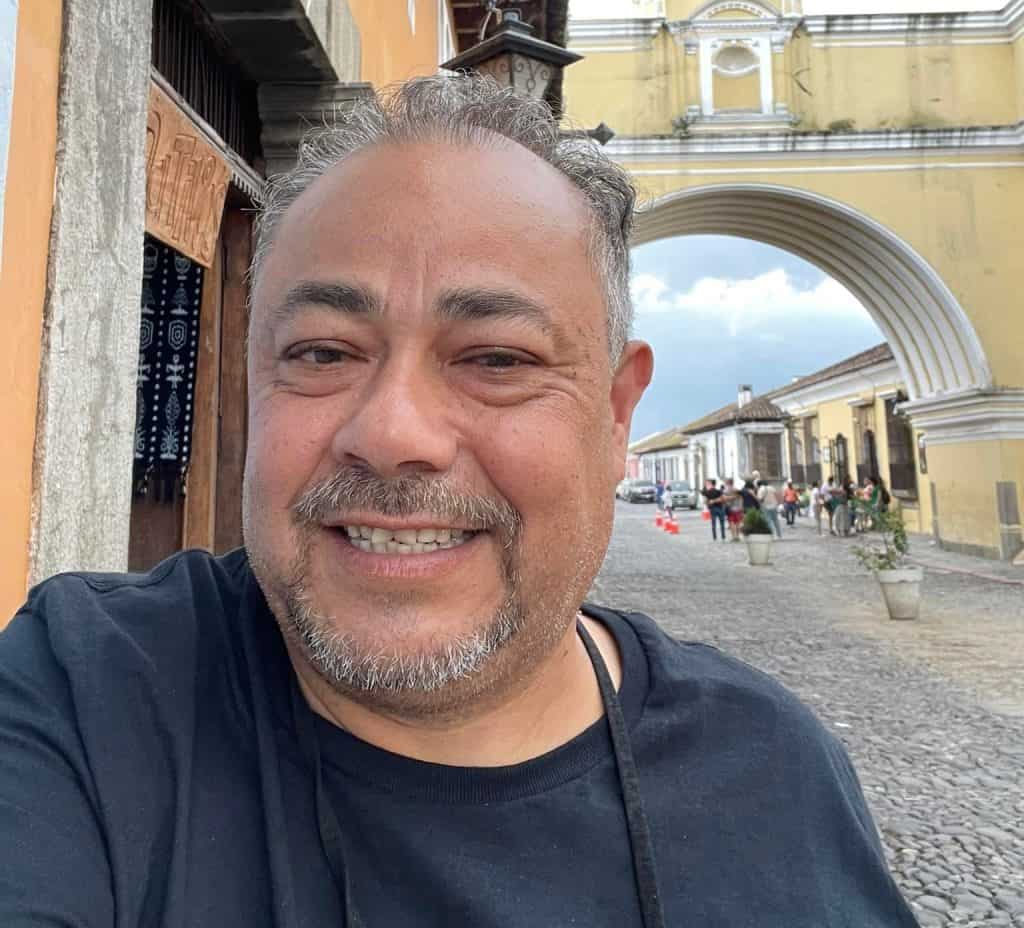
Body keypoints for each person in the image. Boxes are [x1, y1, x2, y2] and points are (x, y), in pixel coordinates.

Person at [0, 75, 917, 926]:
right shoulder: (88, 692)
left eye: (497, 360)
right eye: (322, 352)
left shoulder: (773, 776)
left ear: (614, 414)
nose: (394, 434)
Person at [721, 476, 744, 542]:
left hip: (730, 508)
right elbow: (741, 498)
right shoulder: (737, 489)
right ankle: (738, 536)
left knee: (732, 523)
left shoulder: (726, 490)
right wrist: (741, 506)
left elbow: (724, 498)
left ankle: (734, 536)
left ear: (728, 482)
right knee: (737, 523)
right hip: (738, 508)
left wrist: (729, 498)